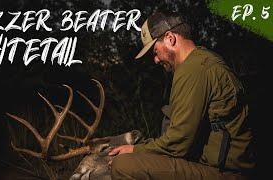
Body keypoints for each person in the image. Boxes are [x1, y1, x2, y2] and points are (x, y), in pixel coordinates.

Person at [108, 12, 255, 180]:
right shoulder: (200, 61)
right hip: (212, 165)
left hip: (226, 173)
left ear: (170, 38)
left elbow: (178, 142)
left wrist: (136, 150)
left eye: (155, 51)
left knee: (123, 166)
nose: (155, 60)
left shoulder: (194, 70)